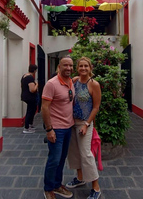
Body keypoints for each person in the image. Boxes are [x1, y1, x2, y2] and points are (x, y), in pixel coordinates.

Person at [66, 57, 102, 199]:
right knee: (74, 152)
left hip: (84, 123)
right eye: (80, 66)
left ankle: (96, 187)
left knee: (86, 154)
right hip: (71, 122)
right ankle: (80, 178)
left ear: (90, 67)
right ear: (77, 67)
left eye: (86, 66)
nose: (83, 68)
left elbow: (96, 107)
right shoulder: (74, 81)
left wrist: (87, 124)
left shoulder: (94, 84)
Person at [41, 56, 75, 199]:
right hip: (56, 129)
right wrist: (49, 129)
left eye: (71, 66)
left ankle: (57, 185)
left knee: (61, 159)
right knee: (54, 159)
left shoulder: (71, 82)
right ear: (59, 67)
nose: (68, 68)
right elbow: (44, 107)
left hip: (68, 127)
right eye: (65, 65)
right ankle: (48, 189)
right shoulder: (51, 84)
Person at [21, 64, 38, 134]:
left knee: (31, 110)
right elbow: (32, 90)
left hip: (25, 96)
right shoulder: (30, 78)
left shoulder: (24, 76)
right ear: (34, 70)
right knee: (30, 111)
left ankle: (30, 125)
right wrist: (37, 84)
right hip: (30, 97)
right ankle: (27, 127)